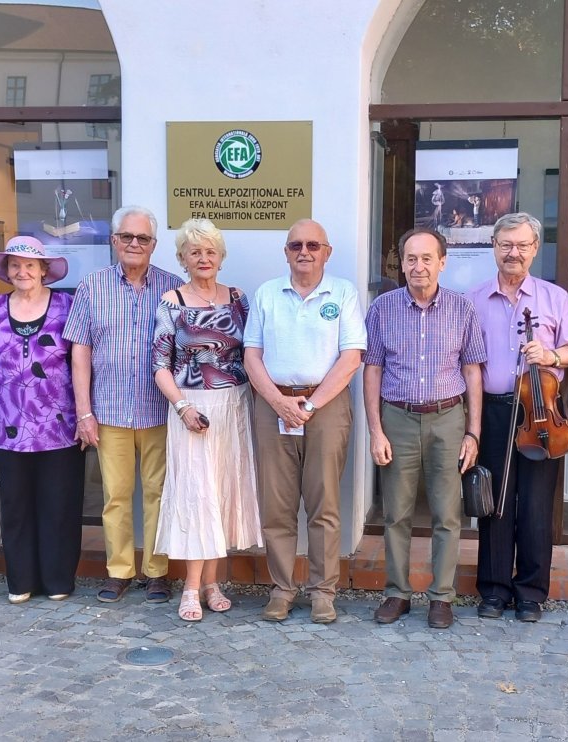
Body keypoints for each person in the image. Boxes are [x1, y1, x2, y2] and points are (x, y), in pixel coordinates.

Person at [244, 219, 365, 624]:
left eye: (314, 245)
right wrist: (279, 402)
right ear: (286, 251)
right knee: (276, 505)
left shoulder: (344, 293)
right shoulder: (266, 294)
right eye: (296, 245)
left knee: (324, 503)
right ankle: (281, 588)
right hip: (272, 403)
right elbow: (251, 356)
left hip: (326, 406)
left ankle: (322, 591)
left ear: (327, 252)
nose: (304, 251)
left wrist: (309, 406)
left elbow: (351, 359)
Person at [365, 227, 485, 630]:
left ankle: (441, 597)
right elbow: (373, 370)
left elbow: (472, 370)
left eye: (427, 258)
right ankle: (397, 592)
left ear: (442, 262)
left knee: (447, 515)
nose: (418, 266)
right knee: (396, 512)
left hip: (448, 419)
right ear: (402, 263)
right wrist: (376, 430)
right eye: (411, 258)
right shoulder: (382, 308)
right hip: (397, 418)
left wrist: (473, 432)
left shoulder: (462, 309)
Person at [465, 212, 568, 623]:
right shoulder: (473, 299)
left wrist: (549, 356)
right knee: (495, 501)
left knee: (534, 506)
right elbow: (468, 364)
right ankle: (494, 590)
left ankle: (531, 591)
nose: (513, 253)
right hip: (494, 410)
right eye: (505, 245)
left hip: (539, 413)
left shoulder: (554, 298)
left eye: (522, 245)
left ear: (535, 249)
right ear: (494, 247)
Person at [64, 206, 182, 605]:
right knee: (115, 495)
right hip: (109, 412)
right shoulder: (92, 286)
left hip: (159, 411)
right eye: (127, 237)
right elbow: (80, 352)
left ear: (154, 244)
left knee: (158, 494)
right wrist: (84, 412)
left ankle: (157, 572)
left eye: (143, 238)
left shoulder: (172, 288)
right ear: (114, 241)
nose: (135, 244)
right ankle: (118, 571)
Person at [152, 218, 264, 622]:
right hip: (191, 407)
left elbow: (253, 352)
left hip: (233, 405)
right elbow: (159, 364)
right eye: (194, 251)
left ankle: (214, 583)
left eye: (210, 251)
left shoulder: (238, 298)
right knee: (195, 495)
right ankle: (192, 587)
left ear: (221, 257)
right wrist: (182, 407)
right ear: (182, 258)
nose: (203, 258)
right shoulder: (172, 301)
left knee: (222, 493)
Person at [0, 236, 83, 604]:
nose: (22, 271)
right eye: (14, 265)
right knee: (17, 505)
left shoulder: (67, 308)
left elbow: (79, 363)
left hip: (60, 425)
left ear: (44, 270)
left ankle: (57, 580)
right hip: (8, 427)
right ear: (6, 272)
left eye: (29, 265)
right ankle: (20, 579)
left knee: (58, 505)